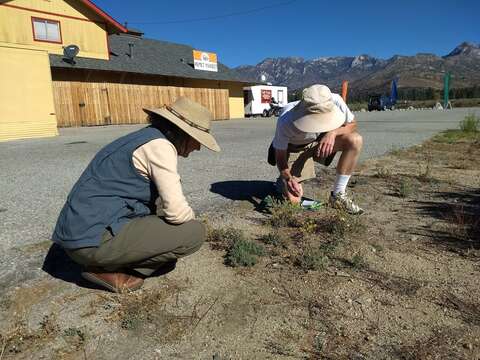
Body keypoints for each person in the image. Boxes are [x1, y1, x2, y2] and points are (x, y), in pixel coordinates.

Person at [52, 97, 220, 292]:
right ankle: (110, 269)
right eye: (197, 140)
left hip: (80, 234)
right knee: (193, 233)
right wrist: (186, 222)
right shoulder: (160, 147)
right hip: (91, 241)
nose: (198, 147)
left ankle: (115, 258)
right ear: (183, 133)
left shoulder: (146, 138)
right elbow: (176, 212)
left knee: (164, 224)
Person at [268, 84, 363, 214]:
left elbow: (352, 124)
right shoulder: (286, 119)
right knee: (294, 201)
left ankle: (338, 195)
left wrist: (333, 133)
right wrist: (288, 179)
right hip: (295, 148)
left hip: (320, 142)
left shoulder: (334, 100)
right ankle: (282, 183)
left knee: (355, 140)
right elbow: (280, 157)